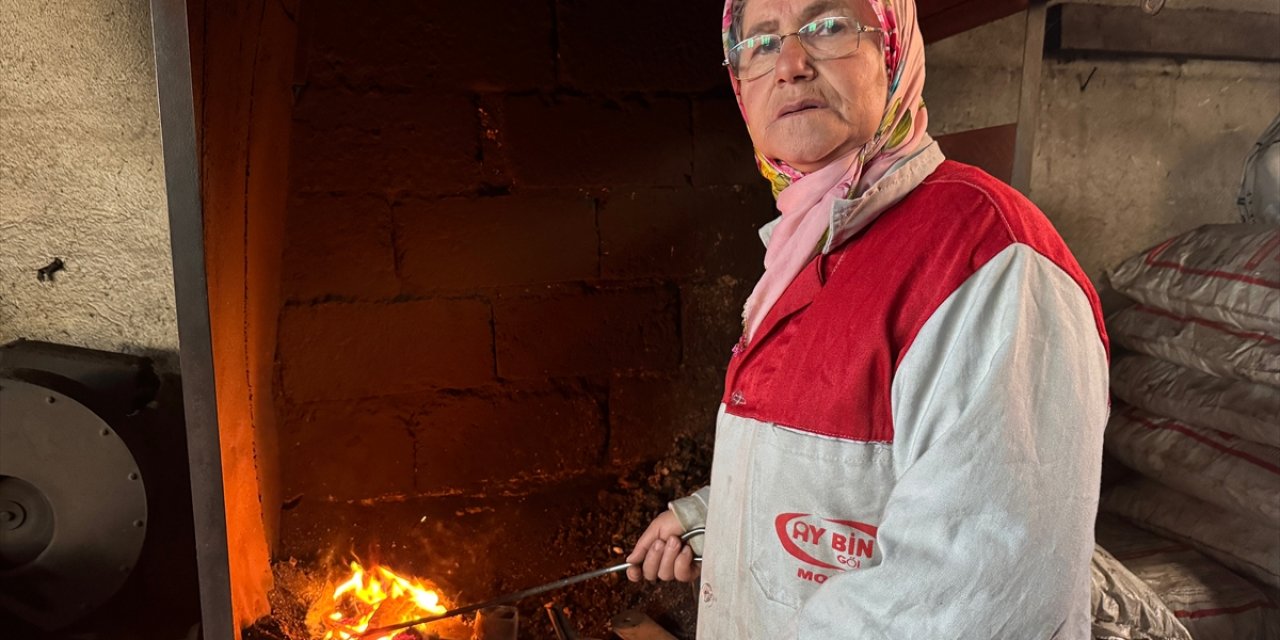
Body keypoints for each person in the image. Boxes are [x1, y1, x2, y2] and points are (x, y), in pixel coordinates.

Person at [625, 0, 1111, 638]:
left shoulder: (989, 264)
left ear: (894, 50)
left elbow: (970, 602)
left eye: (826, 27)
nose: (790, 65)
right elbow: (849, 486)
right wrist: (711, 518)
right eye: (760, 43)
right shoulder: (808, 246)